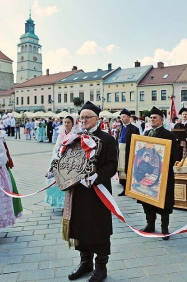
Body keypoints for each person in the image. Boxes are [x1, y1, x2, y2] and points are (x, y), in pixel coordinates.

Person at [66, 101, 117, 282]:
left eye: (88, 117)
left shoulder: (108, 139)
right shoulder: (76, 138)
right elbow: (67, 160)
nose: (84, 120)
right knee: (80, 226)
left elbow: (112, 166)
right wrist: (57, 170)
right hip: (79, 191)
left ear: (97, 119)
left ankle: (100, 267)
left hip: (98, 192)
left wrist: (96, 177)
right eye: (81, 117)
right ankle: (85, 262)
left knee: (98, 228)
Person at [140, 107, 179, 240]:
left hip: (164, 174)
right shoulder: (145, 134)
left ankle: (164, 228)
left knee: (164, 201)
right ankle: (150, 224)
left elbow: (175, 155)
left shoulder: (169, 135)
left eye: (155, 118)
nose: (152, 120)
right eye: (150, 118)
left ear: (161, 120)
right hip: (148, 174)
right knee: (147, 199)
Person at [45, 116, 76, 208]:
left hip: (70, 161)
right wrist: (56, 154)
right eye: (65, 122)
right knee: (56, 180)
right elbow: (56, 146)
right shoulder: (61, 133)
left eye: (68, 122)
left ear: (72, 124)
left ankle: (68, 202)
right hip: (59, 158)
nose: (66, 124)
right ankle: (59, 203)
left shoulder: (75, 134)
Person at [116, 108, 140, 196]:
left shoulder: (134, 129)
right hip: (120, 151)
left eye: (124, 117)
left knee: (129, 169)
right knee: (121, 169)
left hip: (129, 151)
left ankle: (131, 189)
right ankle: (124, 188)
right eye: (121, 117)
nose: (122, 119)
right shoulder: (120, 128)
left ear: (129, 117)